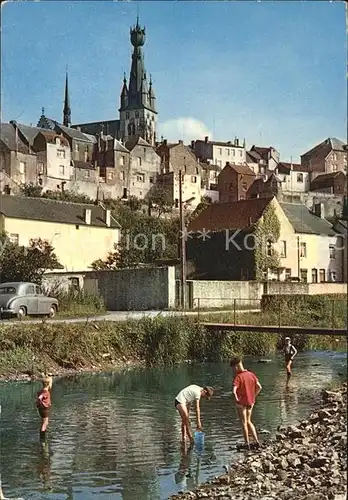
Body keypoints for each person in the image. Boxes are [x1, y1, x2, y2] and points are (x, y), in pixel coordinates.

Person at [230, 357, 262, 450]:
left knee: (243, 423)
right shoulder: (251, 374)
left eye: (233, 368)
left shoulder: (238, 377)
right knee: (249, 421)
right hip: (250, 402)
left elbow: (234, 391)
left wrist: (237, 399)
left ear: (236, 366)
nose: (233, 370)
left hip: (241, 403)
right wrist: (253, 396)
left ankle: (247, 443)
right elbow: (259, 387)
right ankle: (256, 441)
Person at [36, 374, 53, 441]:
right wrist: (43, 403)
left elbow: (39, 397)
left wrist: (38, 404)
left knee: (45, 422)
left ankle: (43, 435)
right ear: (49, 384)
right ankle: (42, 437)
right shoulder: (46, 392)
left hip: (42, 409)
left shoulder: (41, 391)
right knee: (45, 423)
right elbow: (40, 397)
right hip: (44, 409)